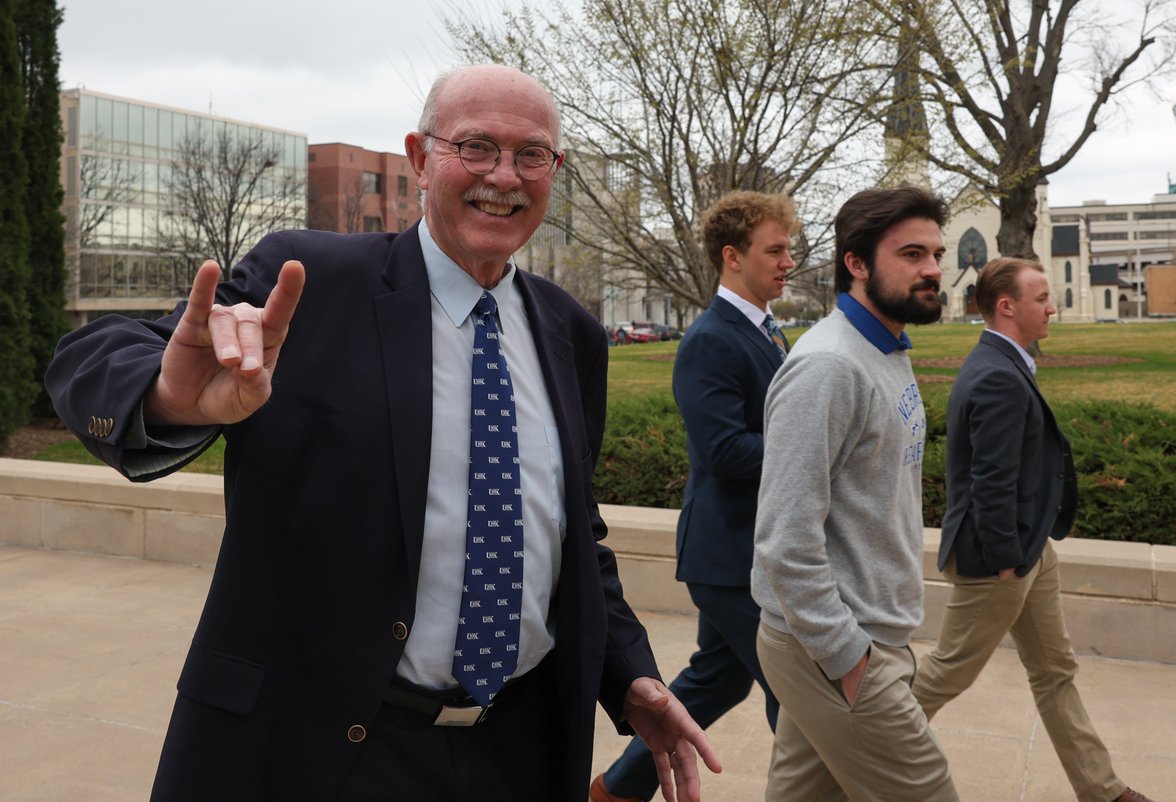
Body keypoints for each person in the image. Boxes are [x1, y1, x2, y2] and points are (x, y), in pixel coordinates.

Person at [45, 64, 718, 802]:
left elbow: (569, 531)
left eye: (532, 154)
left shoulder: (572, 332)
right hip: (323, 750)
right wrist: (171, 396)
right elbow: (90, 358)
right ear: (421, 158)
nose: (504, 176)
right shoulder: (306, 282)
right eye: (476, 146)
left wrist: (630, 674)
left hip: (521, 747)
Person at [911, 257, 1153, 802]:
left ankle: (1103, 790)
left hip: (1030, 548)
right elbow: (990, 480)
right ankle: (849, 766)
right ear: (1006, 307)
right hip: (999, 558)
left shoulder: (1004, 361)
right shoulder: (997, 375)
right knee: (944, 676)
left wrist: (1026, 549)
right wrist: (1005, 558)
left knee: (1055, 670)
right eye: (1042, 299)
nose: (1052, 308)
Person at [750, 185, 959, 801]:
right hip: (834, 641)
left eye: (936, 254)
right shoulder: (828, 366)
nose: (932, 269)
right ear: (857, 263)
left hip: (859, 635)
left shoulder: (883, 348)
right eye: (912, 254)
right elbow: (784, 536)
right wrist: (846, 656)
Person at [591, 191, 794, 802]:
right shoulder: (710, 339)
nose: (788, 262)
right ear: (732, 256)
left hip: (747, 550)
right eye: (775, 250)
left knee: (718, 679)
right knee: (799, 693)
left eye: (789, 249)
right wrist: (812, 450)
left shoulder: (764, 330)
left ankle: (614, 792)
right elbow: (723, 451)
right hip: (729, 556)